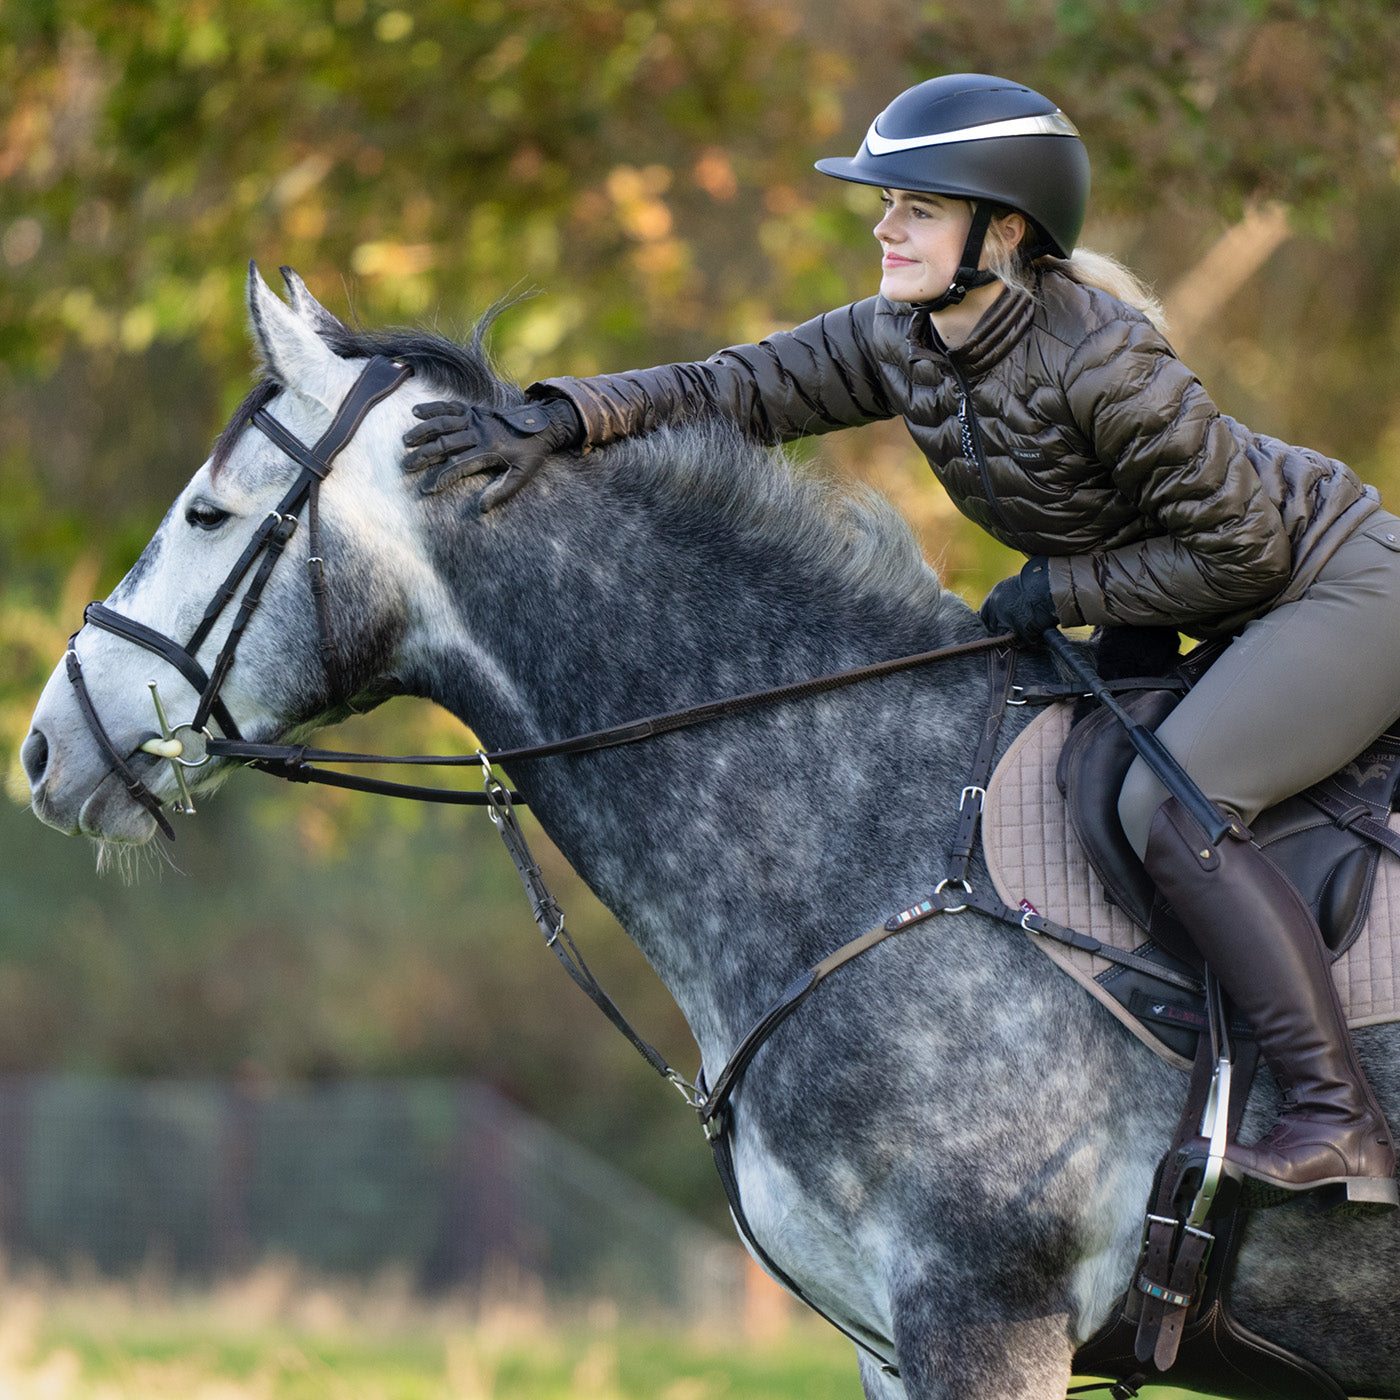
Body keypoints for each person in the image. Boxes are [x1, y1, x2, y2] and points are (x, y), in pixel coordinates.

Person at [402, 73, 1400, 1210]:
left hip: (1333, 590)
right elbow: (734, 387)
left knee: (1165, 805)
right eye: (885, 205)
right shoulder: (902, 335)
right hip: (1192, 603)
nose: (883, 227)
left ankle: (1340, 1116)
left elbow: (1251, 552)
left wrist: (1059, 586)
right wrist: (556, 415)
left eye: (914, 207)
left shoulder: (1104, 358)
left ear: (1001, 228)